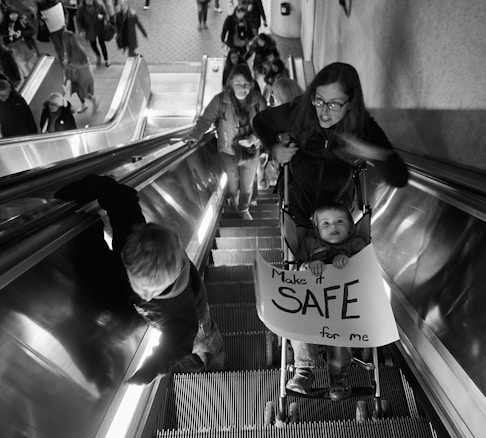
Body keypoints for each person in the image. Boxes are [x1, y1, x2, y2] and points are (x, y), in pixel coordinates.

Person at [54, 174, 227, 384]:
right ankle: (195, 369)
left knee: (201, 345)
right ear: (127, 259)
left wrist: (153, 367)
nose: (143, 295)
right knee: (182, 353)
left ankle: (216, 368)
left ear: (168, 284)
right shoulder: (129, 235)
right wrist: (77, 189)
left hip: (196, 318)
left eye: (152, 292)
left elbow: (177, 343)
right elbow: (122, 197)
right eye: (140, 287)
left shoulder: (182, 311)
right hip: (162, 318)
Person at [253, 62, 409, 249]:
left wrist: (370, 152)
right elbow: (260, 122)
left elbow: (399, 178)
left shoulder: (362, 127)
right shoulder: (299, 111)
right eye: (319, 100)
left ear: (351, 103)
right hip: (297, 202)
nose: (324, 112)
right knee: (302, 253)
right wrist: (275, 147)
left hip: (338, 210)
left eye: (334, 104)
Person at [286, 201, 367, 399]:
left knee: (342, 333)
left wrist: (350, 263)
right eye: (326, 224)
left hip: (343, 306)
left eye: (340, 221)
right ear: (316, 229)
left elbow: (367, 270)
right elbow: (294, 271)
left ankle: (338, 377)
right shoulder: (309, 245)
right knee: (300, 326)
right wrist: (307, 266)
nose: (333, 227)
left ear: (350, 228)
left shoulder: (356, 245)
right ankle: (304, 372)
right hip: (312, 304)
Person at [185, 64, 267, 220]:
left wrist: (254, 138)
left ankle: (244, 208)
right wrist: (195, 135)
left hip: (251, 151)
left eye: (246, 84)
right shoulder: (220, 101)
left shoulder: (257, 100)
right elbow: (205, 120)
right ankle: (234, 199)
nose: (243, 88)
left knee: (247, 184)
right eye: (238, 84)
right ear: (230, 84)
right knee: (233, 182)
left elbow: (267, 123)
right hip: (228, 152)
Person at [63, 29, 99, 113]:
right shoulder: (79, 49)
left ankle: (92, 101)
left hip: (79, 77)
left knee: (82, 91)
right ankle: (84, 104)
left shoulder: (70, 54)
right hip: (86, 74)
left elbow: (70, 67)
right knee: (81, 90)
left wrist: (66, 77)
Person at [76, 0, 111, 67]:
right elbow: (78, 19)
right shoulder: (81, 8)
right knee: (93, 45)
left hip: (99, 28)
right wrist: (80, 30)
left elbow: (105, 15)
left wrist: (102, 17)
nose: (89, 1)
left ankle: (106, 60)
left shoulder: (99, 5)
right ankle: (98, 55)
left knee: (102, 44)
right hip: (90, 29)